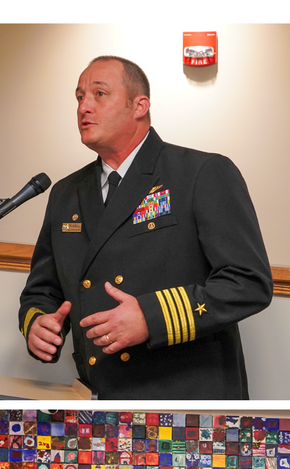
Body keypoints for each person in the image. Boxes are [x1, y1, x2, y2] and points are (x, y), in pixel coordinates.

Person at [19, 55, 273, 399]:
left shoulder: (201, 173)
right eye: (79, 97)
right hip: (101, 391)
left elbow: (248, 283)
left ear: (139, 106)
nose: (84, 107)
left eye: (99, 94)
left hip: (185, 392)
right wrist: (39, 323)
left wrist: (150, 317)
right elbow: (42, 290)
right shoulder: (66, 193)